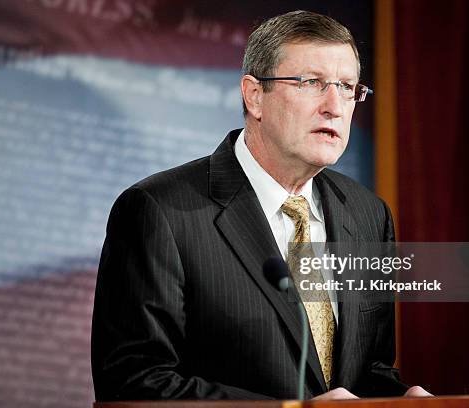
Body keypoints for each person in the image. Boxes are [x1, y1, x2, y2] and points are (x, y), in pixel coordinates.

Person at [91, 10, 430, 400]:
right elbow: (134, 383)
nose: (335, 106)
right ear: (255, 96)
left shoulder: (369, 215)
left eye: (348, 87)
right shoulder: (159, 211)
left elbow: (366, 369)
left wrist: (400, 398)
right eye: (311, 83)